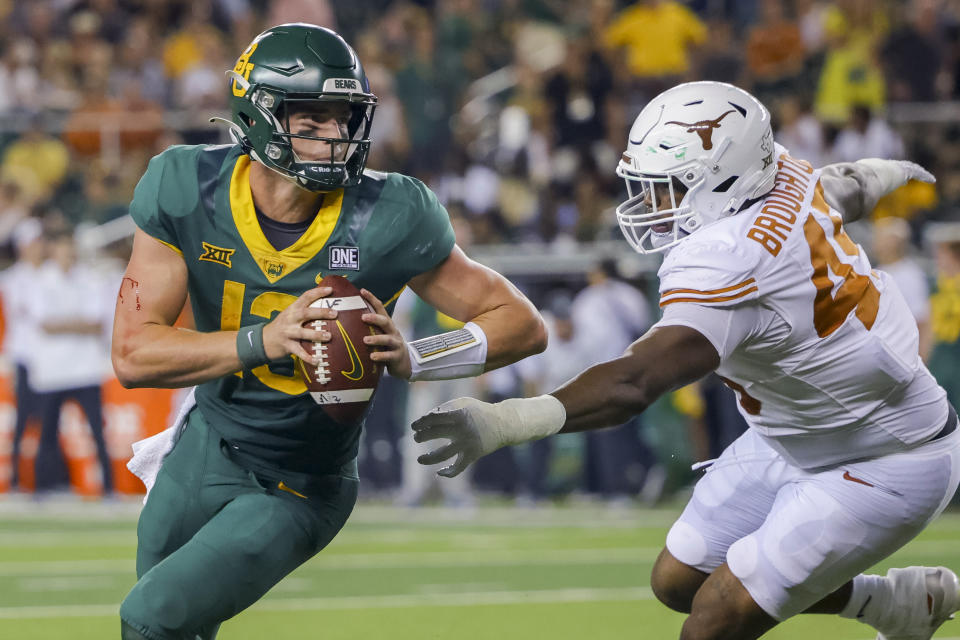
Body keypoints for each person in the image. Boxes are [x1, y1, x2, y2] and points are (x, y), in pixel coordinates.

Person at [413, 81, 960, 640]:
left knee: (715, 621)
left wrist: (504, 421)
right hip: (799, 431)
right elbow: (836, 189)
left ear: (726, 178)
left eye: (671, 187)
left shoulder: (730, 258)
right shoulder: (782, 174)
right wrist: (881, 172)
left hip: (885, 457)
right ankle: (896, 604)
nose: (653, 204)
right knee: (677, 581)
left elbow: (634, 382)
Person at [113, 24, 546, 640]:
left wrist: (418, 356)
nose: (334, 137)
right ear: (259, 116)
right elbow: (133, 354)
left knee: (149, 617)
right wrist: (268, 338)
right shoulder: (187, 187)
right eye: (310, 119)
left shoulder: (390, 213)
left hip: (299, 482)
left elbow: (522, 324)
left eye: (344, 119)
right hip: (203, 447)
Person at [27, 228, 115, 495]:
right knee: (47, 433)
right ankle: (43, 488)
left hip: (85, 368)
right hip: (52, 370)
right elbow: (44, 324)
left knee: (98, 432)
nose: (67, 257)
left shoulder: (89, 279)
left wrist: (63, 323)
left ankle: (108, 488)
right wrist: (78, 324)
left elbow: (97, 323)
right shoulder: (40, 280)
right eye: (63, 252)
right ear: (54, 252)